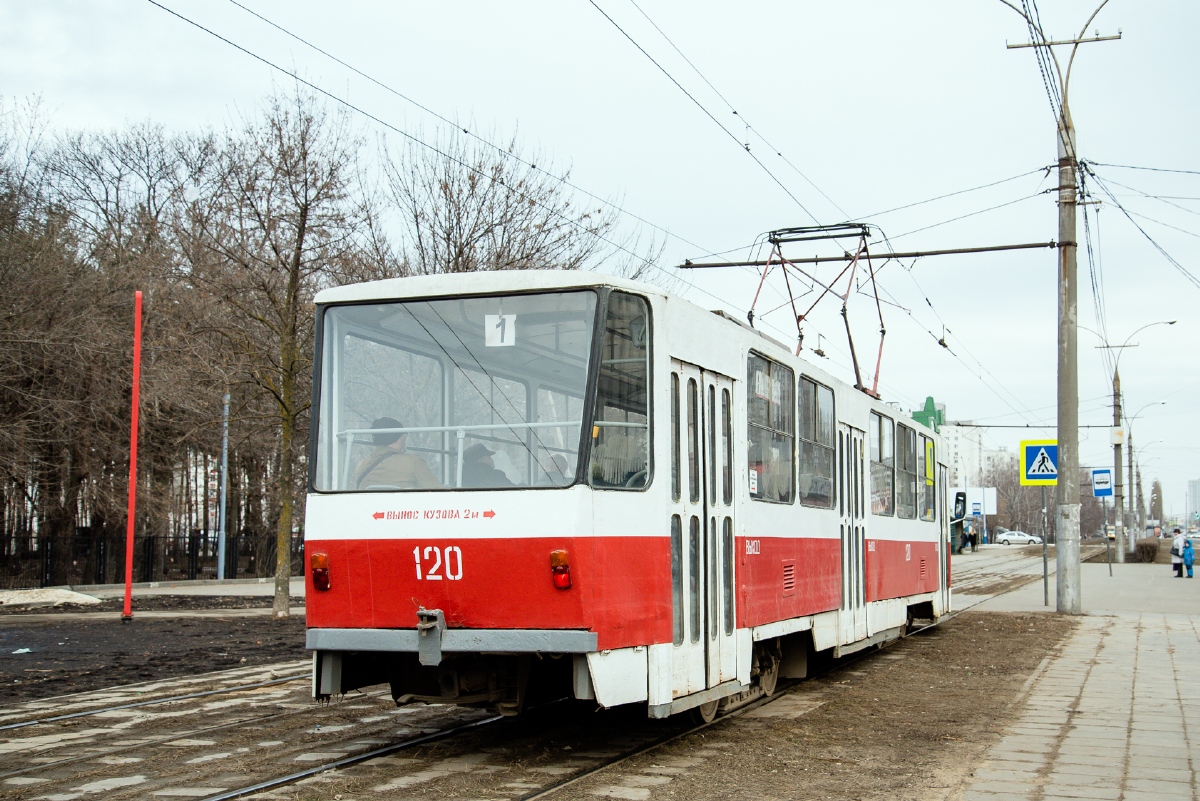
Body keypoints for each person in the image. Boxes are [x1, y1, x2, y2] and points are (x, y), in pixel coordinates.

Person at [356, 417, 441, 490]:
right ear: (399, 438)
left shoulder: (361, 465)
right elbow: (438, 492)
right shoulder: (413, 462)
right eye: (404, 434)